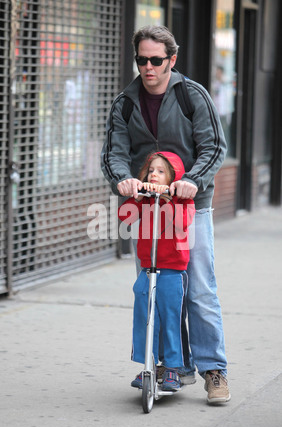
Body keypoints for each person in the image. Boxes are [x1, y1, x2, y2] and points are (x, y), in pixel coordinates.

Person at [101, 25, 231, 404]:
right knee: (156, 291)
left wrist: (193, 179)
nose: (148, 67)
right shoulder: (125, 102)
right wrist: (122, 178)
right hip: (149, 210)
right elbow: (114, 152)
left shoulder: (193, 96)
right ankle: (169, 365)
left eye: (156, 60)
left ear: (171, 60)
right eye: (141, 60)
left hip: (191, 207)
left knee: (200, 291)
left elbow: (214, 146)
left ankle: (213, 370)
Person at [118, 151, 195, 391]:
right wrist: (138, 199)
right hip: (147, 268)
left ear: (174, 177)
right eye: (151, 170)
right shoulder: (145, 199)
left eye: (161, 171)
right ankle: (148, 366)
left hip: (172, 270)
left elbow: (183, 223)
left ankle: (173, 368)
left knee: (171, 318)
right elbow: (124, 218)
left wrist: (169, 200)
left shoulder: (183, 201)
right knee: (145, 317)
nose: (154, 174)